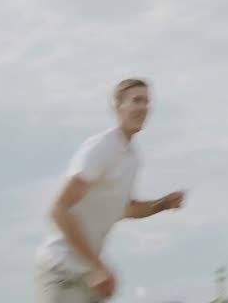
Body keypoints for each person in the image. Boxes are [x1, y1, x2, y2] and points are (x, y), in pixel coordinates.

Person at [34, 78, 186, 302]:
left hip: (88, 279)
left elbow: (124, 208)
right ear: (118, 106)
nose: (143, 107)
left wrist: (162, 204)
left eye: (146, 102)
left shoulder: (132, 157)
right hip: (61, 273)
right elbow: (59, 210)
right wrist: (97, 266)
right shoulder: (101, 147)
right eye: (136, 100)